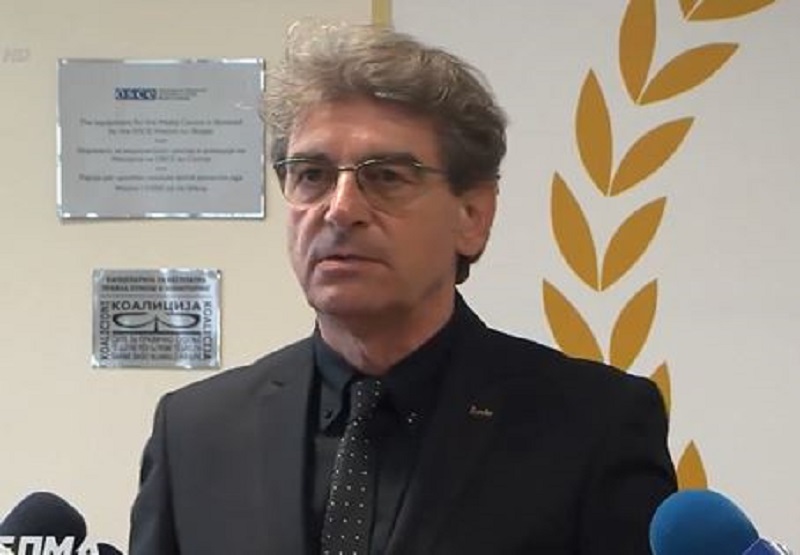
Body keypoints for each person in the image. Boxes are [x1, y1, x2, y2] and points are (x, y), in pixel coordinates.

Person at [129, 21, 677, 555]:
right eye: (312, 175)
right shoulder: (195, 432)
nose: (340, 209)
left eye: (386, 176)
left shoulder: (593, 425)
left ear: (472, 215)